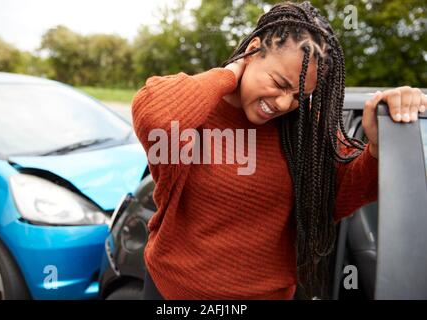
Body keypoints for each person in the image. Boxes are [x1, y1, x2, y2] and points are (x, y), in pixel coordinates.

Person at [132, 1, 427, 300]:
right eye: (278, 82)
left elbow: (340, 194)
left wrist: (377, 146)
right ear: (254, 49)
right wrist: (231, 73)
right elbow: (156, 115)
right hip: (174, 293)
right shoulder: (199, 111)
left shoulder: (304, 130)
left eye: (300, 95)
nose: (284, 104)